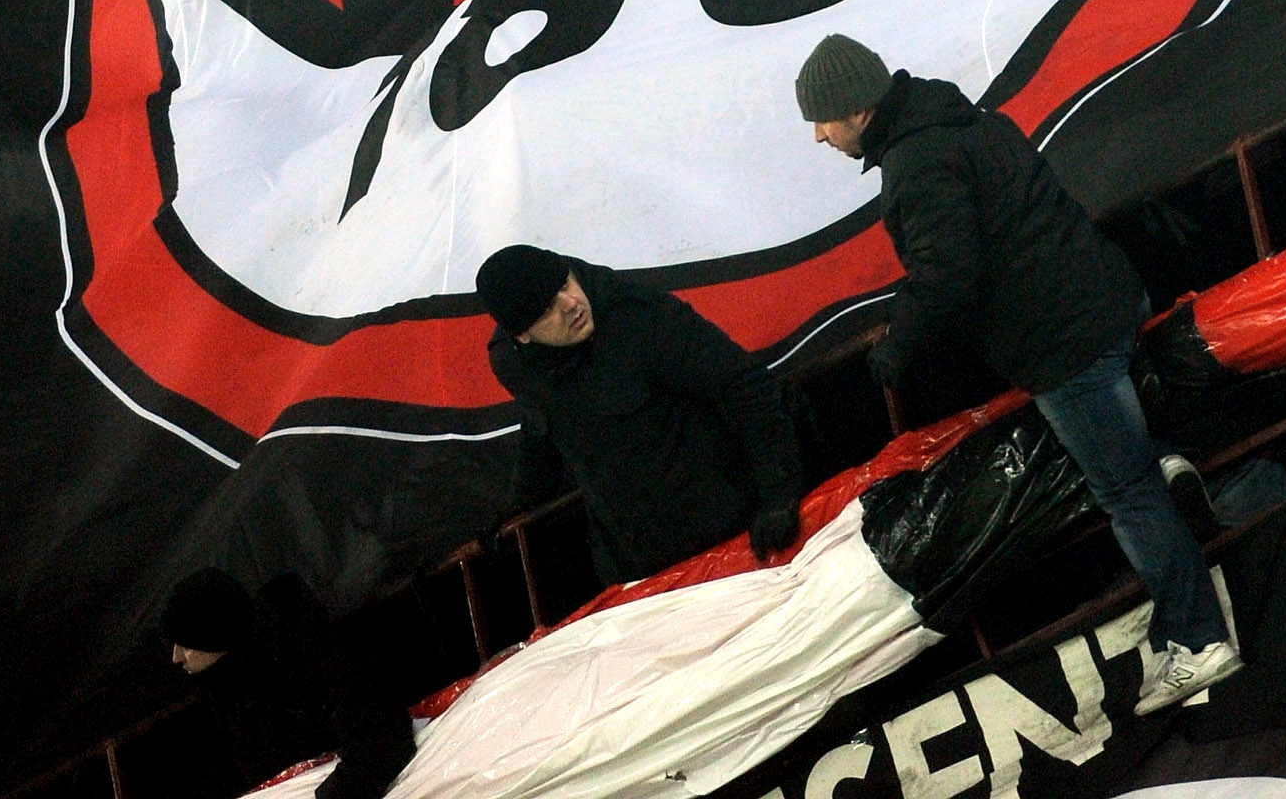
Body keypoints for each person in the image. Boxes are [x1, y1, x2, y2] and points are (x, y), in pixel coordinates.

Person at [795, 37, 1240, 709]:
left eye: (822, 120)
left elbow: (948, 272)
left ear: (857, 110)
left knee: (1128, 497)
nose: (818, 137)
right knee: (1133, 468)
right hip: (1114, 298)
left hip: (1066, 349)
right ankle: (1163, 462)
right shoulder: (964, 118)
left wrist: (896, 347)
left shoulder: (915, 164)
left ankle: (1199, 640)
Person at [476, 245, 804, 585]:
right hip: (635, 566)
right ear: (522, 335)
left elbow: (744, 386)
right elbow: (542, 429)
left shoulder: (640, 317)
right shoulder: (511, 362)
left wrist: (779, 494)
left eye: (565, 283)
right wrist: (518, 504)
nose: (570, 303)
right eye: (548, 309)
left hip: (736, 535)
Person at [161, 570, 415, 799]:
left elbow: (382, 738)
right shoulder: (225, 685)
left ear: (216, 633)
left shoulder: (310, 652)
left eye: (186, 643)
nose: (176, 657)